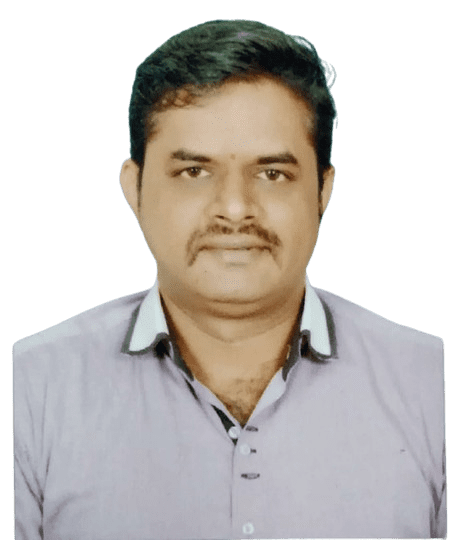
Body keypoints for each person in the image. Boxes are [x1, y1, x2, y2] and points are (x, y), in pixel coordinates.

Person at [13, 19, 447, 540]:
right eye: (194, 172)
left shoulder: (434, 387)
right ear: (135, 188)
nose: (236, 209)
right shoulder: (29, 391)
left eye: (272, 173)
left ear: (323, 191)